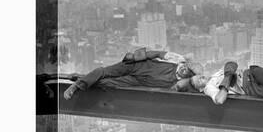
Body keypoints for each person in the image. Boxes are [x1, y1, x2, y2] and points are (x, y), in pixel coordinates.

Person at [63, 47, 203, 100]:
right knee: (104, 71)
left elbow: (183, 88)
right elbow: (156, 53)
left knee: (107, 83)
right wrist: (137, 57)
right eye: (187, 66)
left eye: (188, 72)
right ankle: (75, 85)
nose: (185, 69)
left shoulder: (178, 83)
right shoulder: (176, 60)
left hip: (138, 81)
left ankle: (82, 78)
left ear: (189, 76)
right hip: (136, 66)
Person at [193, 61, 263, 103]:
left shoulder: (214, 74)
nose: (201, 77)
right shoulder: (208, 88)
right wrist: (228, 78)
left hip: (249, 72)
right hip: (248, 86)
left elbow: (232, 64)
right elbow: (219, 100)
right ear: (200, 89)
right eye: (199, 80)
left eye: (199, 76)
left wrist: (229, 71)